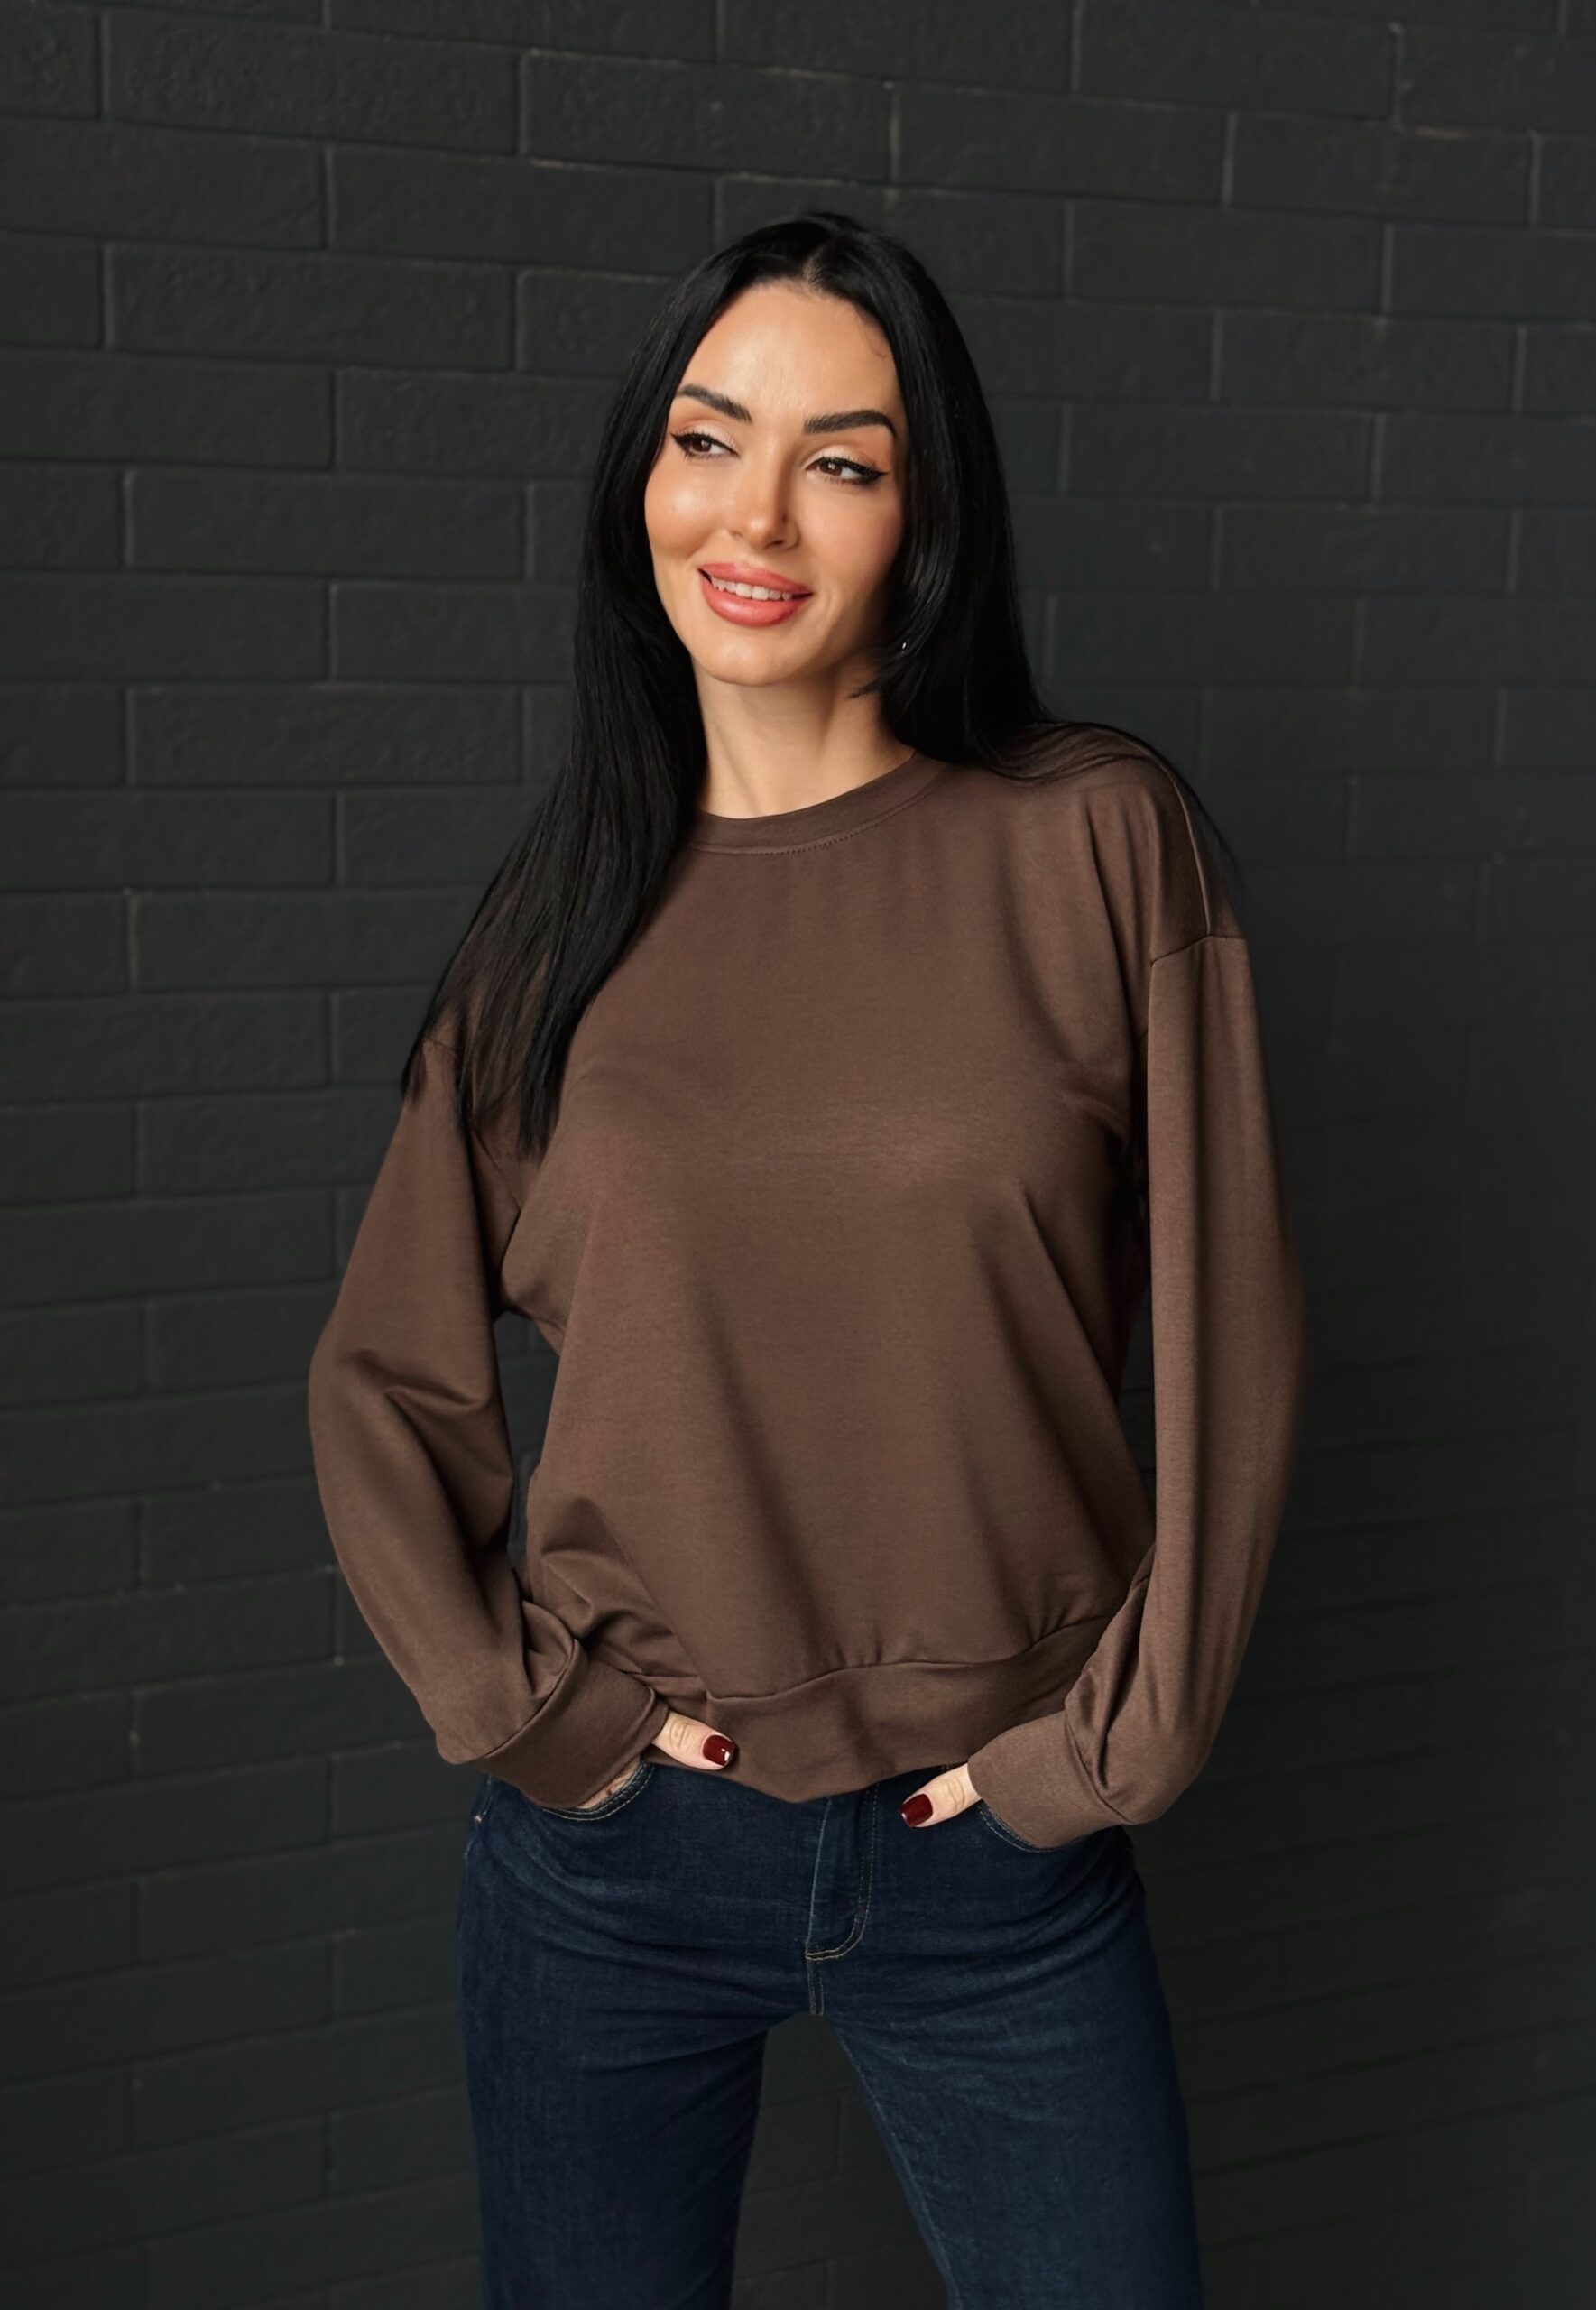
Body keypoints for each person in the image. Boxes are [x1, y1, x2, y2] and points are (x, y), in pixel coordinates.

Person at [307, 210, 1308, 2310]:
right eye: (708, 439)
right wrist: (536, 1715)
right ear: (642, 482)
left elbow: (1234, 1336)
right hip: (617, 1865)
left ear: (924, 520)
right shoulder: (555, 926)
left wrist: (1105, 1751)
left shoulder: (1091, 840)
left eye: (840, 460)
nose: (753, 515)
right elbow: (383, 1374)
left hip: (1000, 1858)